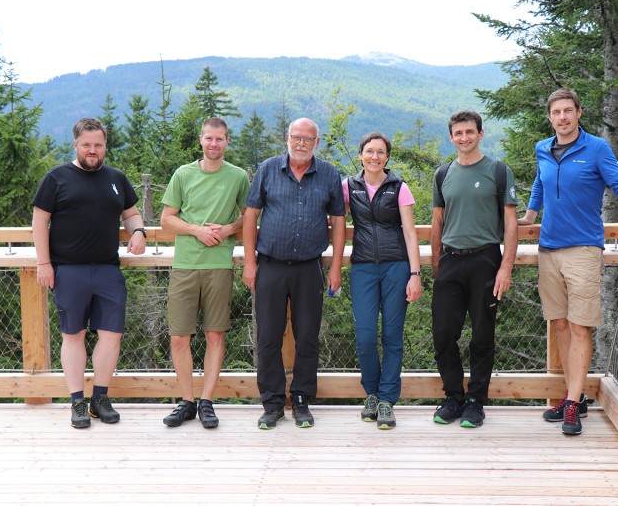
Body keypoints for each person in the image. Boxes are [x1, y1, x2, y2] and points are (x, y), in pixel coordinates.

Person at [518, 88, 618, 435]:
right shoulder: (542, 149)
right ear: (550, 117)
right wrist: (528, 218)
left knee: (580, 326)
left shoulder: (596, 149)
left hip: (583, 250)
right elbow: (540, 186)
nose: (562, 117)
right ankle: (570, 395)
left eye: (567, 111)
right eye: (556, 112)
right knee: (560, 324)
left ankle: (575, 402)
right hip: (549, 249)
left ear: (579, 112)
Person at [32, 117, 147, 429]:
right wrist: (44, 263)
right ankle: (77, 402)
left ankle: (100, 398)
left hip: (108, 269)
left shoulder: (116, 178)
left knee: (112, 334)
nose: (92, 150)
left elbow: (132, 213)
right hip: (68, 270)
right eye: (87, 145)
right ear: (75, 145)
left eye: (98, 145)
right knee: (73, 335)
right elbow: (40, 221)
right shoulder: (56, 178)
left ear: (105, 146)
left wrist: (138, 233)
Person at [242, 117, 346, 430]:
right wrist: (250, 262)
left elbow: (338, 222)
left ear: (317, 142)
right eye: (296, 137)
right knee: (268, 337)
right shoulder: (268, 169)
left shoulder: (328, 173)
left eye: (307, 139)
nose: (301, 143)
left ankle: (301, 400)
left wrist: (337, 266)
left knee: (307, 336)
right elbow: (250, 217)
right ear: (287, 138)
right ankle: (272, 404)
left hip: (310, 267)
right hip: (270, 265)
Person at [159, 117, 249, 429]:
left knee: (215, 333)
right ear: (201, 139)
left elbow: (248, 218)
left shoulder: (238, 177)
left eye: (219, 139)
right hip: (184, 264)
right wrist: (196, 230)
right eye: (208, 138)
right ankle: (186, 401)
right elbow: (167, 220)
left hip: (219, 265)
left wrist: (227, 230)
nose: (213, 144)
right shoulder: (183, 174)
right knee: (180, 336)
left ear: (227, 142)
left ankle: (207, 402)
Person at [431, 110, 518, 429]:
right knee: (443, 334)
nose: (464, 138)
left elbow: (510, 224)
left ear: (481, 134)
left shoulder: (498, 171)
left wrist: (506, 267)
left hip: (486, 259)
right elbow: (438, 221)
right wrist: (437, 264)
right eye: (458, 133)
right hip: (450, 261)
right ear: (451, 137)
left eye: (470, 132)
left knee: (482, 335)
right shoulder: (442, 173)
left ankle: (475, 402)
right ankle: (453, 397)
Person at [343, 132, 422, 430]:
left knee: (392, 335)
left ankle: (387, 399)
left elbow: (411, 233)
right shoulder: (348, 187)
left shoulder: (399, 187)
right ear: (361, 154)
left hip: (396, 267)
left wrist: (415, 274)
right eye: (369, 151)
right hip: (362, 267)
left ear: (387, 157)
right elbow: (335, 223)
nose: (374, 157)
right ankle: (371, 394)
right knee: (364, 337)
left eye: (380, 152)